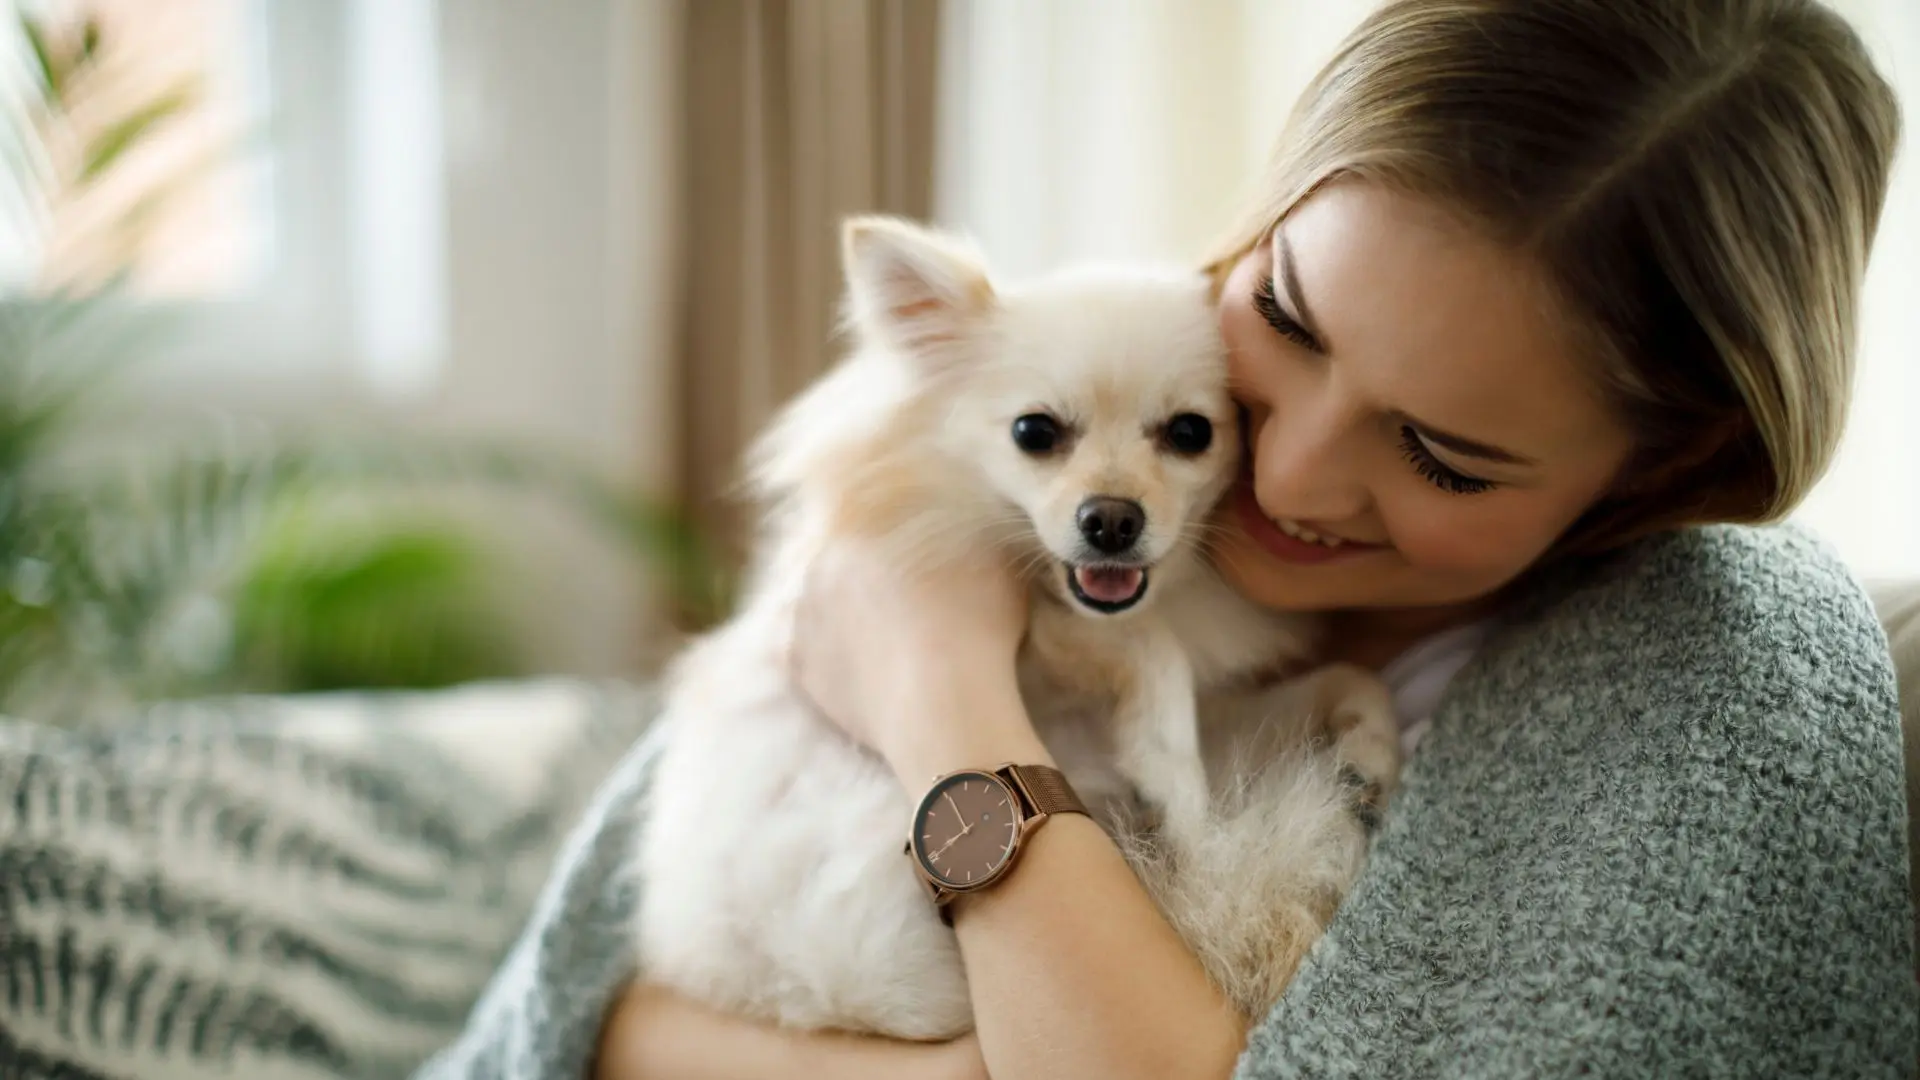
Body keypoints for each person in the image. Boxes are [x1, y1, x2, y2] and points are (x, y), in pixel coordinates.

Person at [417, 1, 1914, 1077]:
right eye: (1287, 316)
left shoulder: (1717, 672)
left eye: (1442, 455)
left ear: (1675, 466)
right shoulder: (1062, 410)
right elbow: (585, 1015)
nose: (1295, 476)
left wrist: (944, 702)